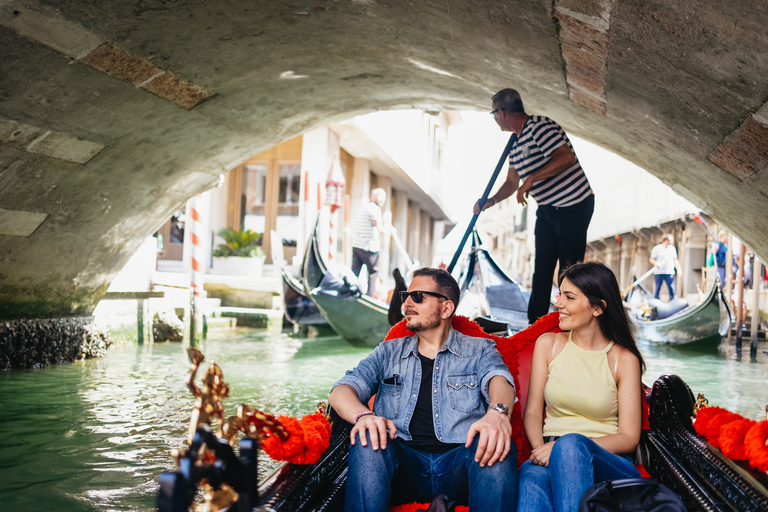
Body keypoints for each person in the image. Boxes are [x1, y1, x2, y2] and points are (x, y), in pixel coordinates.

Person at [329, 267, 518, 512]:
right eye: (406, 295)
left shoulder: (480, 349)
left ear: (446, 308)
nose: (407, 302)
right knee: (367, 438)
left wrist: (498, 413)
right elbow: (341, 390)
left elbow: (499, 379)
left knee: (495, 439)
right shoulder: (388, 352)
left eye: (418, 296)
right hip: (403, 466)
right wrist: (364, 416)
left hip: (460, 466)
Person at [518, 261, 645, 512]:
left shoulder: (623, 360)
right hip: (547, 450)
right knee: (532, 484)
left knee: (571, 445)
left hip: (607, 460)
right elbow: (533, 411)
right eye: (559, 294)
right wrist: (542, 451)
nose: (558, 303)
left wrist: (564, 447)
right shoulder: (548, 345)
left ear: (597, 308)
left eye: (569, 297)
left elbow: (629, 437)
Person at [474, 88, 594, 325]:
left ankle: (570, 323)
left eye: (493, 114)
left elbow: (565, 157)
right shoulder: (515, 144)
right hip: (548, 209)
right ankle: (535, 326)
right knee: (541, 270)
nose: (495, 118)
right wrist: (491, 201)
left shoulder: (540, 126)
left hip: (574, 204)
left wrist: (531, 179)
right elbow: (511, 182)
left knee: (568, 272)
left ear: (502, 111)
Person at [352, 188, 387, 297]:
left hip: (357, 245)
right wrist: (388, 230)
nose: (382, 200)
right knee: (373, 272)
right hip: (368, 247)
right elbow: (380, 228)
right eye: (381, 197)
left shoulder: (364, 207)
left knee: (354, 272)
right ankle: (369, 296)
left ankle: (349, 292)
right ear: (374, 196)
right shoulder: (374, 208)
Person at [649, 234, 682, 300]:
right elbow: (651, 259)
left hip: (669, 272)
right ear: (666, 240)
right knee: (658, 288)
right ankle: (656, 302)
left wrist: (679, 269)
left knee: (671, 288)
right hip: (659, 272)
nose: (672, 242)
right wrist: (656, 263)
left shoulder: (672, 249)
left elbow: (675, 260)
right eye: (671, 240)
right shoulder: (657, 248)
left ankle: (672, 302)